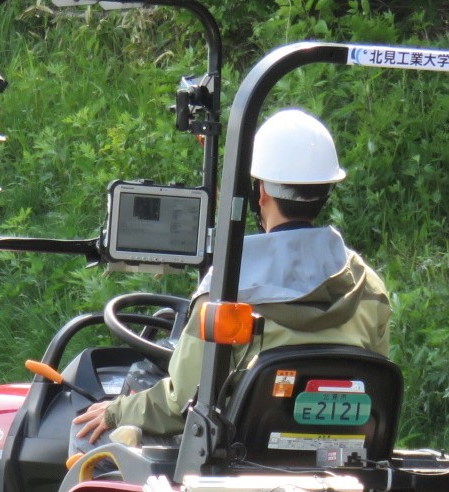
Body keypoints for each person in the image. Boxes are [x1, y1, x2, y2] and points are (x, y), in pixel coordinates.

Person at [73, 107, 390, 443]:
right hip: (345, 462)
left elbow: (183, 401)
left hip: (243, 466)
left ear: (261, 192)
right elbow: (373, 383)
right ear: (326, 190)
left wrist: (118, 410)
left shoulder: (226, 288)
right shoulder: (369, 288)